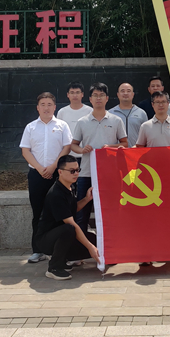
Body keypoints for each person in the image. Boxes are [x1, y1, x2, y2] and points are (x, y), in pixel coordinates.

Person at [19, 92, 72, 264]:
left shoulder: (62, 125)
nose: (46, 108)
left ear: (55, 107)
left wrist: (53, 167)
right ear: (37, 107)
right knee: (38, 212)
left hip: (58, 174)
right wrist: (40, 168)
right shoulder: (31, 127)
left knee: (60, 212)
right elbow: (25, 150)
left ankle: (61, 251)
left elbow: (67, 147)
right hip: (37, 174)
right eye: (43, 104)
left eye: (49, 104)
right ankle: (38, 250)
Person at [70, 83, 128, 233]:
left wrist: (111, 147)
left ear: (107, 98)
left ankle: (111, 242)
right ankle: (81, 244)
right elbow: (73, 145)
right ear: (90, 99)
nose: (98, 98)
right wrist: (82, 150)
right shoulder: (82, 121)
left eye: (101, 95)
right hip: (86, 173)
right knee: (82, 213)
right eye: (95, 95)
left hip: (109, 173)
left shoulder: (116, 120)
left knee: (111, 210)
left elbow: (125, 143)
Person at [35, 155, 101, 280]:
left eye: (77, 170)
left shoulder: (70, 186)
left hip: (62, 235)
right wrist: (90, 247)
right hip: (46, 240)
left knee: (96, 241)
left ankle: (63, 260)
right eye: (72, 171)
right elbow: (72, 224)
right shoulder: (56, 194)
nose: (76, 174)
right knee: (70, 229)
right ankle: (54, 268)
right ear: (60, 172)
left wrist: (87, 199)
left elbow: (72, 209)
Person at [56, 81, 92, 165]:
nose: (75, 95)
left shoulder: (90, 111)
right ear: (68, 95)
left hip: (86, 154)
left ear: (82, 94)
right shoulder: (62, 112)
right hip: (67, 154)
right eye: (72, 93)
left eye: (77, 92)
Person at [109, 83, 148, 147]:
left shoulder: (141, 113)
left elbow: (146, 136)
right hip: (116, 151)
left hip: (136, 151)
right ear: (118, 95)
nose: (125, 93)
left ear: (133, 94)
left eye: (128, 91)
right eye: (122, 91)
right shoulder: (110, 113)